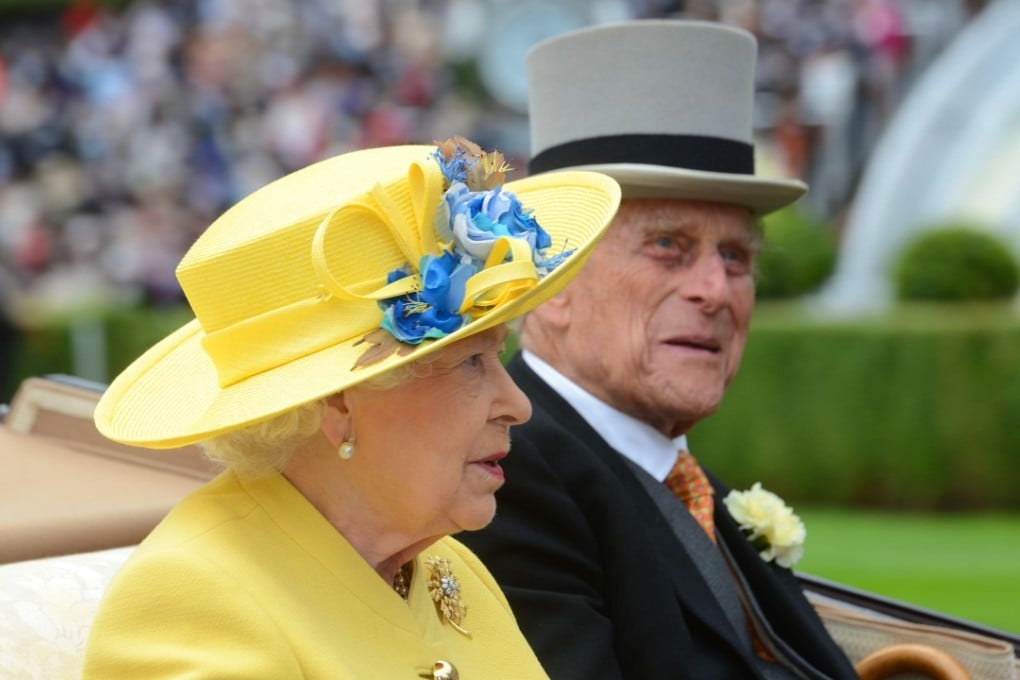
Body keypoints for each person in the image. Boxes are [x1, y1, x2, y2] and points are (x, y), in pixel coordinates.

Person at [81, 139, 620, 678]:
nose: (518, 405)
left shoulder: (446, 565)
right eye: (471, 362)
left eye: (496, 355)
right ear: (338, 403)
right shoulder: (197, 602)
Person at [459, 21, 859, 680]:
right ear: (551, 283)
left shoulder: (687, 485)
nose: (716, 291)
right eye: (668, 245)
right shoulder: (504, 472)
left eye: (735, 256)